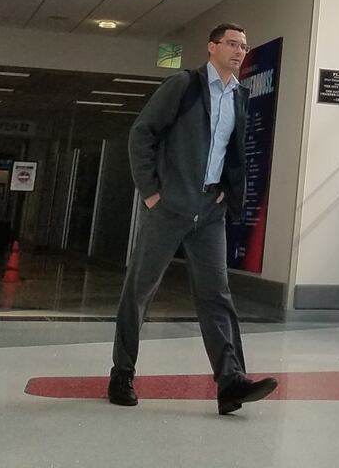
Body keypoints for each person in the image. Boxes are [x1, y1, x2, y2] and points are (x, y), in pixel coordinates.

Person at [109, 23, 276, 415]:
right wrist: (150, 191)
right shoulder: (183, 85)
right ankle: (121, 373)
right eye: (232, 44)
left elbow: (230, 151)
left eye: (244, 46)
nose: (239, 51)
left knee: (217, 295)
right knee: (139, 291)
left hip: (210, 211)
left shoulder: (240, 95)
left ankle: (230, 382)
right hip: (167, 207)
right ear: (212, 47)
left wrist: (225, 190)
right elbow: (142, 133)